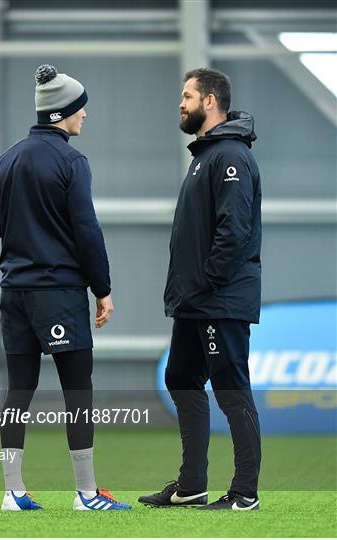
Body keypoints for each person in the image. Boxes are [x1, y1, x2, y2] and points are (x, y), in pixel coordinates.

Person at [0, 64, 131, 512]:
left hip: (14, 293)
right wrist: (103, 289)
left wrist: (25, 226)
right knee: (77, 390)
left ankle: (12, 493)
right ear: (62, 113)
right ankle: (86, 494)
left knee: (18, 391)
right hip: (58, 292)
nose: (85, 116)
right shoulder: (71, 161)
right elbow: (87, 230)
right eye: (81, 109)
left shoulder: (6, 159)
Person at [139, 68, 262, 511]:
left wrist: (207, 283)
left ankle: (245, 492)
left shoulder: (230, 156)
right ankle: (192, 486)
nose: (181, 102)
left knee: (231, 388)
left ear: (210, 102)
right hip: (195, 301)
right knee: (181, 377)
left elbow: (234, 230)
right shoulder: (205, 155)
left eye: (187, 95)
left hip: (219, 299)